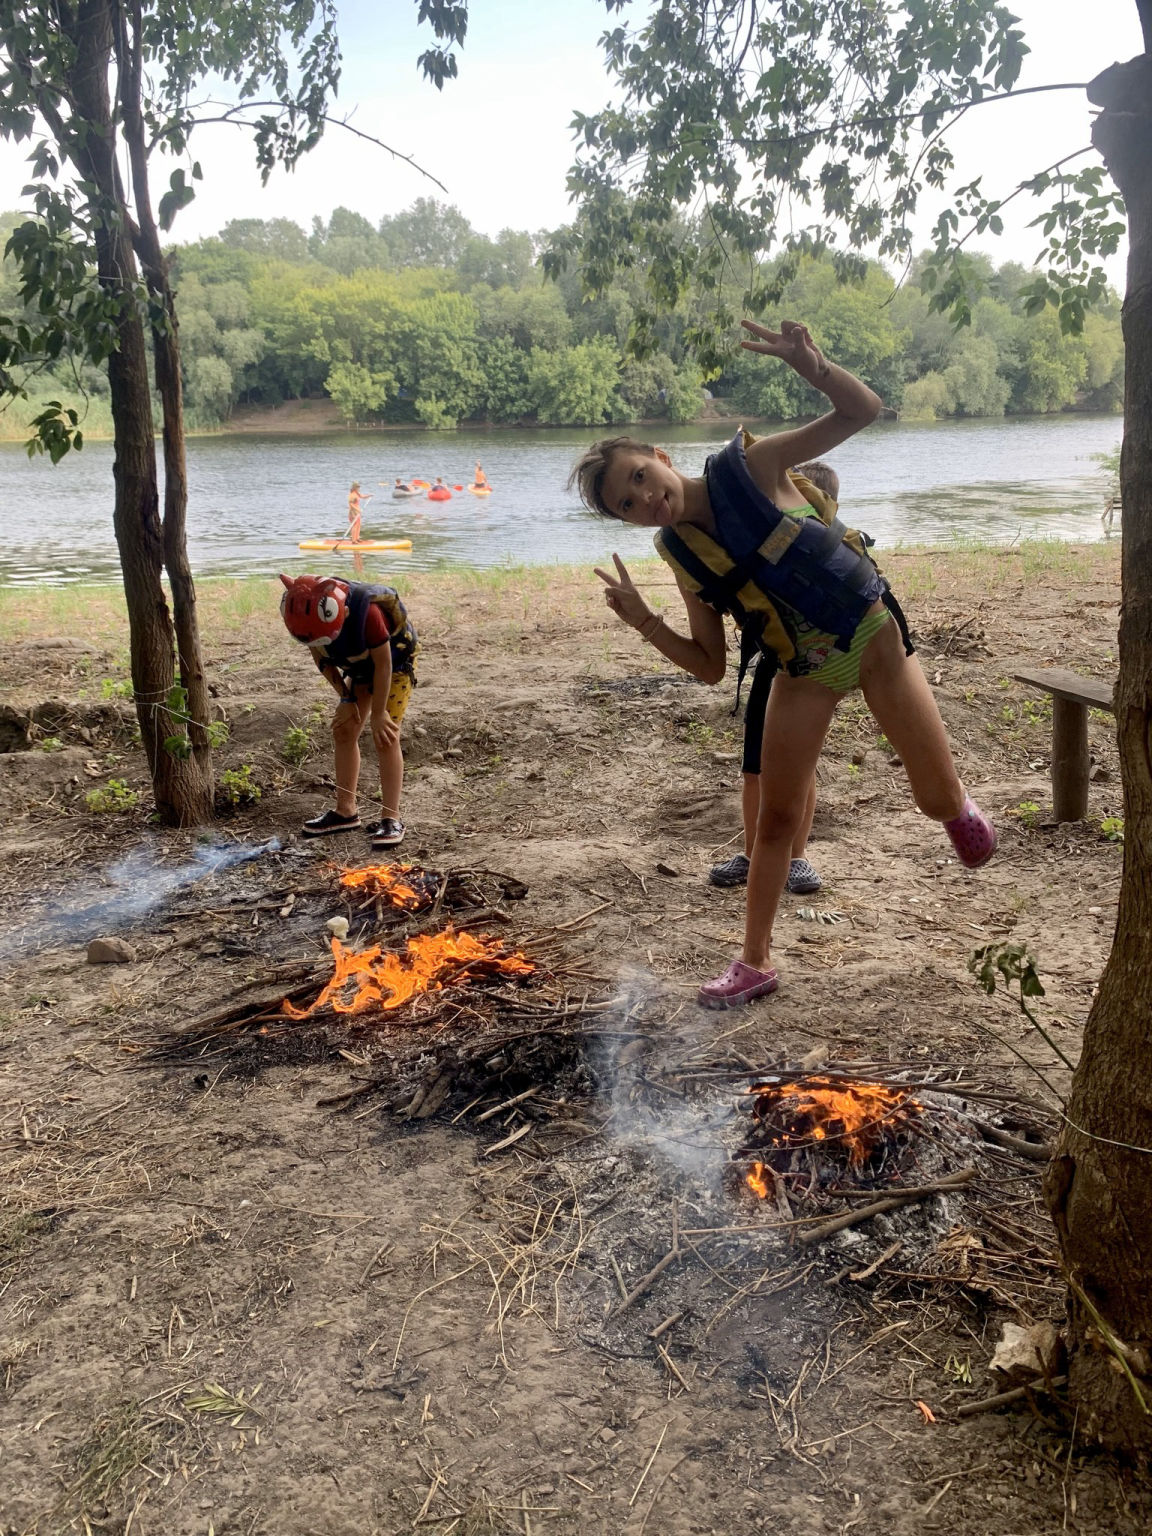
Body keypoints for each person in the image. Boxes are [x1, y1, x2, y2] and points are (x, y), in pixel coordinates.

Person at [572, 318, 996, 1010]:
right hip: (803, 671)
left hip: (871, 638)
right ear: (627, 522)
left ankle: (956, 806)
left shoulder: (755, 465)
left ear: (657, 455)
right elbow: (709, 664)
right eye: (628, 504)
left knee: (936, 801)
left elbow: (863, 411)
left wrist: (813, 365)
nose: (647, 499)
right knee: (773, 818)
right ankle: (755, 961)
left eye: (641, 478)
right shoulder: (678, 554)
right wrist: (643, 620)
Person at [708, 458, 839, 895]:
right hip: (769, 663)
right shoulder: (767, 546)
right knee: (753, 768)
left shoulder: (824, 553)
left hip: (806, 670)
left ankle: (796, 856)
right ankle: (752, 852)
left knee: (799, 771)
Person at [279, 574, 418, 850]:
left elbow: (384, 664)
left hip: (393, 666)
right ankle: (346, 811)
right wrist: (346, 698)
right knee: (344, 730)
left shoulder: (369, 614)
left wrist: (379, 713)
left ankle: (391, 818)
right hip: (358, 667)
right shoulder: (308, 622)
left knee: (386, 735)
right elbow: (320, 656)